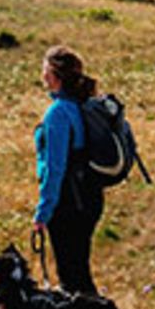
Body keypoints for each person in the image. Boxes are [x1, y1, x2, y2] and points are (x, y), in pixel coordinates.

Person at [32, 44, 103, 295]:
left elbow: (55, 168)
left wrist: (43, 212)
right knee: (79, 271)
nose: (42, 75)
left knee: (72, 278)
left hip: (68, 202)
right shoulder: (81, 105)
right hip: (89, 197)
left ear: (54, 75)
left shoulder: (58, 113)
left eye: (45, 69)